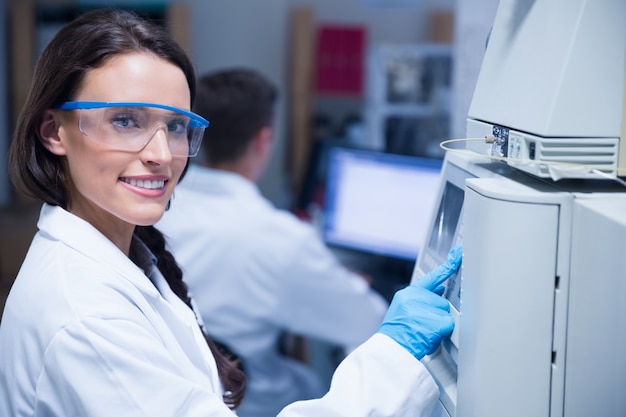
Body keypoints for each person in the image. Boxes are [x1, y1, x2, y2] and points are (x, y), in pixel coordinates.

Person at [0, 7, 462, 417]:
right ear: (53, 131)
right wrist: (396, 355)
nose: (162, 153)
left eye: (176, 126)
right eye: (125, 121)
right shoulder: (87, 319)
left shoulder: (130, 251)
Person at [156, 68, 390, 417]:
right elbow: (368, 322)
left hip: (168, 393)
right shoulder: (280, 239)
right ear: (264, 140)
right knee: (312, 382)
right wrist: (352, 285)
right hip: (247, 404)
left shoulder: (154, 210)